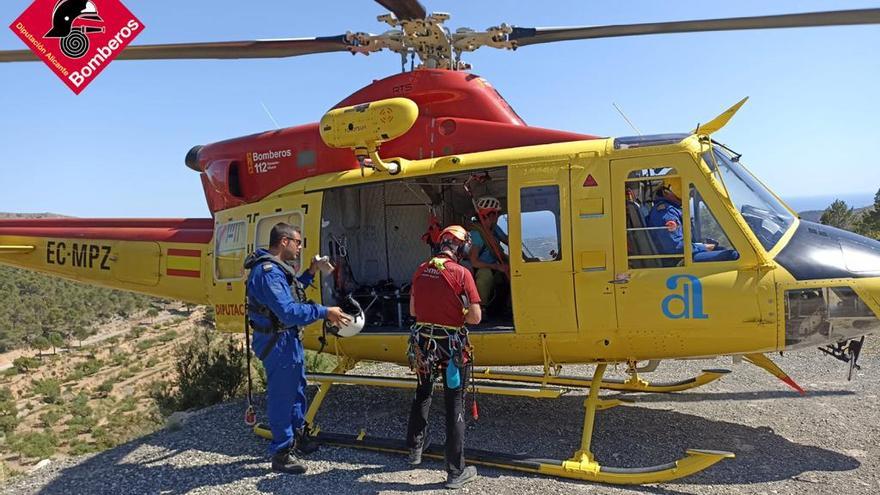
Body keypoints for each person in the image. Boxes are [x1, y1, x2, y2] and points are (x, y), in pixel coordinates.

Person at [244, 222, 352, 474]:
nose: (300, 247)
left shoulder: (278, 271)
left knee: (297, 390)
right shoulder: (268, 273)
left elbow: (292, 291)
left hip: (287, 340)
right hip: (277, 342)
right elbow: (289, 311)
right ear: (284, 242)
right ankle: (281, 453)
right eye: (298, 242)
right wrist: (325, 312)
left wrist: (311, 271)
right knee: (283, 396)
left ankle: (298, 436)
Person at [406, 225, 482, 490]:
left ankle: (415, 450)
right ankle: (455, 472)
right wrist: (457, 311)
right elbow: (475, 317)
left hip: (425, 345)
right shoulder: (462, 274)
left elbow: (415, 310)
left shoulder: (419, 269)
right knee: (455, 403)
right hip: (451, 348)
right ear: (460, 247)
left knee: (423, 392)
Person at [646, 179, 739, 263]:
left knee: (720, 249)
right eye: (687, 191)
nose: (689, 197)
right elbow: (675, 247)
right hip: (677, 260)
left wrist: (702, 245)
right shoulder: (665, 212)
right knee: (732, 255)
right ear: (668, 191)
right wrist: (704, 247)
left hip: (684, 255)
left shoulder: (673, 209)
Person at [468, 196, 509, 313]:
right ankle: (481, 308)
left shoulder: (494, 229)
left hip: (495, 265)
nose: (497, 217)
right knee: (485, 275)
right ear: (489, 215)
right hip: (481, 268)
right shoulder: (476, 233)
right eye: (496, 214)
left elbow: (507, 240)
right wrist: (496, 267)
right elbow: (474, 262)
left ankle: (507, 306)